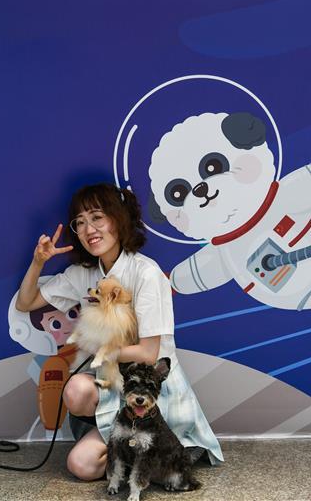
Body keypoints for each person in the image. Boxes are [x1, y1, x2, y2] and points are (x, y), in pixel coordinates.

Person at [15, 184, 223, 480]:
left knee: (83, 462)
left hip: (149, 388)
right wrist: (39, 262)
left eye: (97, 217)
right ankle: (132, 447)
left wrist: (100, 349)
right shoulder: (83, 274)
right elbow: (26, 303)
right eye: (80, 222)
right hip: (113, 387)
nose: (89, 229)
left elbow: (148, 353)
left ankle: (155, 447)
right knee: (75, 400)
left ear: (118, 218)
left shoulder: (146, 273)